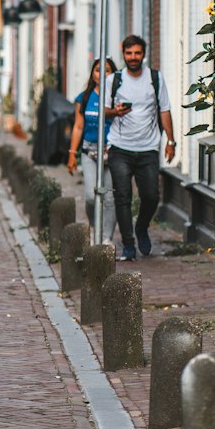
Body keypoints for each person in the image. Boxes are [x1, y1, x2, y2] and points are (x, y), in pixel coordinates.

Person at [103, 34, 176, 261]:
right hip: (120, 148)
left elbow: (164, 109)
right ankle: (128, 245)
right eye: (128, 53)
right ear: (123, 54)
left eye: (137, 53)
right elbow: (105, 110)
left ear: (143, 54)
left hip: (148, 148)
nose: (133, 57)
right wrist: (115, 112)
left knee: (151, 195)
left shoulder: (155, 78)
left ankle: (141, 227)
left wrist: (171, 141)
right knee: (122, 197)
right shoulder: (113, 80)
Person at [66, 57, 117, 241]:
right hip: (89, 152)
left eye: (107, 70)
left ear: (113, 74)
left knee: (110, 198)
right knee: (90, 196)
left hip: (112, 152)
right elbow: (78, 127)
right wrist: (72, 154)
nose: (102, 74)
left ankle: (106, 239)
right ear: (92, 74)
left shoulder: (118, 96)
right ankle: (96, 228)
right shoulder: (84, 97)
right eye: (98, 70)